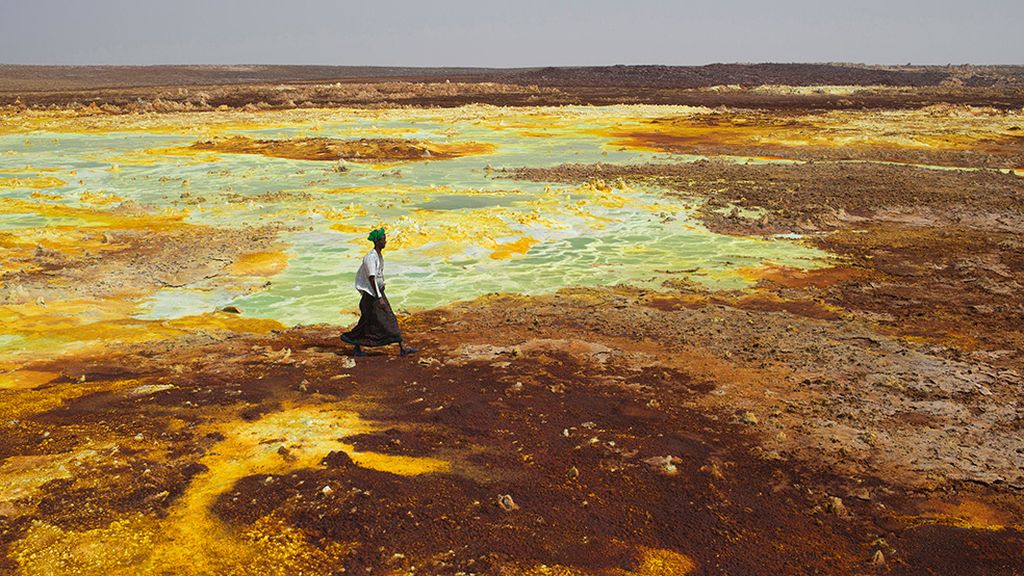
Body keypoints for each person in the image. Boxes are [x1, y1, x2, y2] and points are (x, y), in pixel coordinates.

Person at [341, 227, 417, 357]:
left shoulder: (378, 255)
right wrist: (379, 296)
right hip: (373, 295)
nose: (385, 241)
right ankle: (402, 348)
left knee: (367, 322)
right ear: (377, 242)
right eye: (383, 239)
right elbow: (372, 278)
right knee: (388, 319)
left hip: (376, 293)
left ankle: (357, 347)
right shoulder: (370, 257)